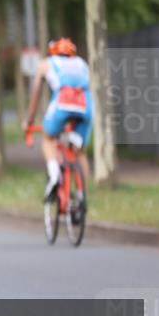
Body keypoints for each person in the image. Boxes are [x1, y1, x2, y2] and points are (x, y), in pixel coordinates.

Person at [23, 38, 93, 200]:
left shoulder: (46, 63)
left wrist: (29, 121)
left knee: (48, 139)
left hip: (62, 105)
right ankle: (82, 195)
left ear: (53, 51)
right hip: (85, 107)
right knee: (80, 150)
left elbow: (36, 95)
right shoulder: (82, 64)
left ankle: (54, 175)